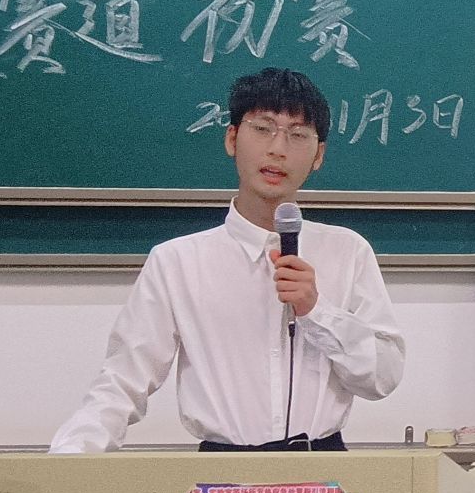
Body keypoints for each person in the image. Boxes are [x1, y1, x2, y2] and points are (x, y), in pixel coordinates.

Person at [49, 67, 404, 452]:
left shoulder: (348, 251)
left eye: (298, 134)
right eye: (263, 128)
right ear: (232, 138)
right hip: (221, 472)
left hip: (322, 467)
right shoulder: (177, 262)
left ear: (318, 155)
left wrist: (316, 310)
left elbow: (382, 377)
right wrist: (70, 459)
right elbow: (122, 381)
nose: (278, 149)